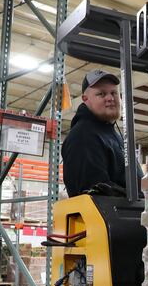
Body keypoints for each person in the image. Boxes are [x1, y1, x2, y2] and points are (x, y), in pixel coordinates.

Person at [61, 69, 143, 197]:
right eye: (101, 94)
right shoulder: (83, 137)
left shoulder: (111, 133)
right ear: (85, 99)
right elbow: (97, 193)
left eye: (114, 93)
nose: (110, 98)